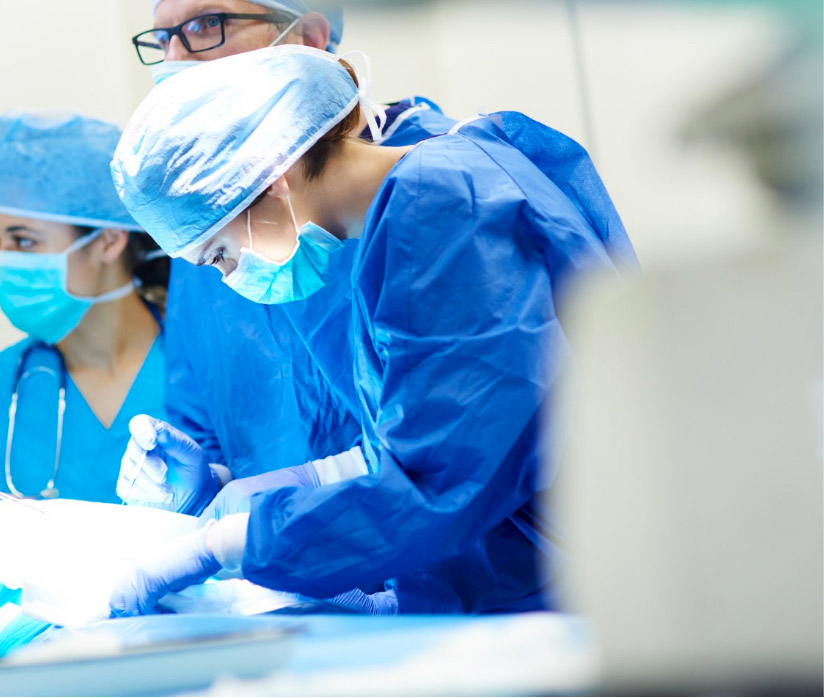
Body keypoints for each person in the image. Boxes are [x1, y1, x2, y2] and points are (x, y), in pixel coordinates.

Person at [108, 46, 637, 616]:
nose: (230, 277)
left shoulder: (442, 207)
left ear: (270, 182)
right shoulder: (441, 188)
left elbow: (441, 484)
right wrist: (288, 486)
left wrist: (229, 545)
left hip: (571, 604)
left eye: (218, 255)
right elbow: (468, 425)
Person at [134, 0, 456, 481]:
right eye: (162, 40)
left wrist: (291, 504)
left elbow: (464, 445)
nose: (175, 59)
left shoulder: (441, 193)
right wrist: (206, 484)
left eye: (206, 24)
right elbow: (201, 410)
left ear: (307, 37)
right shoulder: (209, 222)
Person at [0, 110, 169, 655]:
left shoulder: (201, 366)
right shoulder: (9, 382)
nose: (4, 262)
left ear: (108, 241)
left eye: (22, 242)